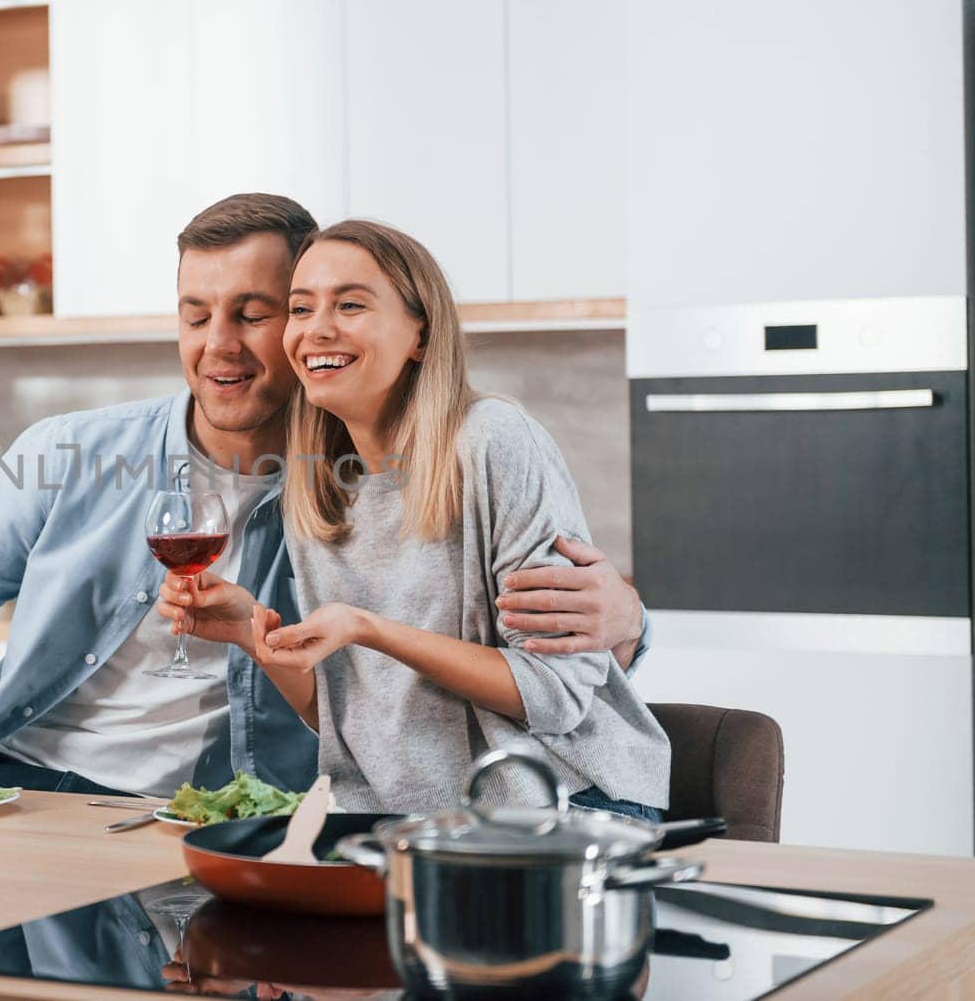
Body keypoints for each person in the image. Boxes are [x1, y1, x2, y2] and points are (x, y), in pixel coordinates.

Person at [0, 195, 649, 800]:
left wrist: (629, 620)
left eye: (255, 312)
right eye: (196, 315)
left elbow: (511, 653)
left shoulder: (360, 489)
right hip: (16, 790)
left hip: (206, 825)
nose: (220, 346)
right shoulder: (72, 452)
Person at [160, 219, 669, 820]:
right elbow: (347, 720)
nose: (317, 328)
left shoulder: (492, 442)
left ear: (420, 335)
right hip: (396, 820)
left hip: (560, 807)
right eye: (301, 308)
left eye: (350, 304)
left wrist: (368, 629)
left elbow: (555, 695)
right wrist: (254, 633)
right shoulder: (316, 483)